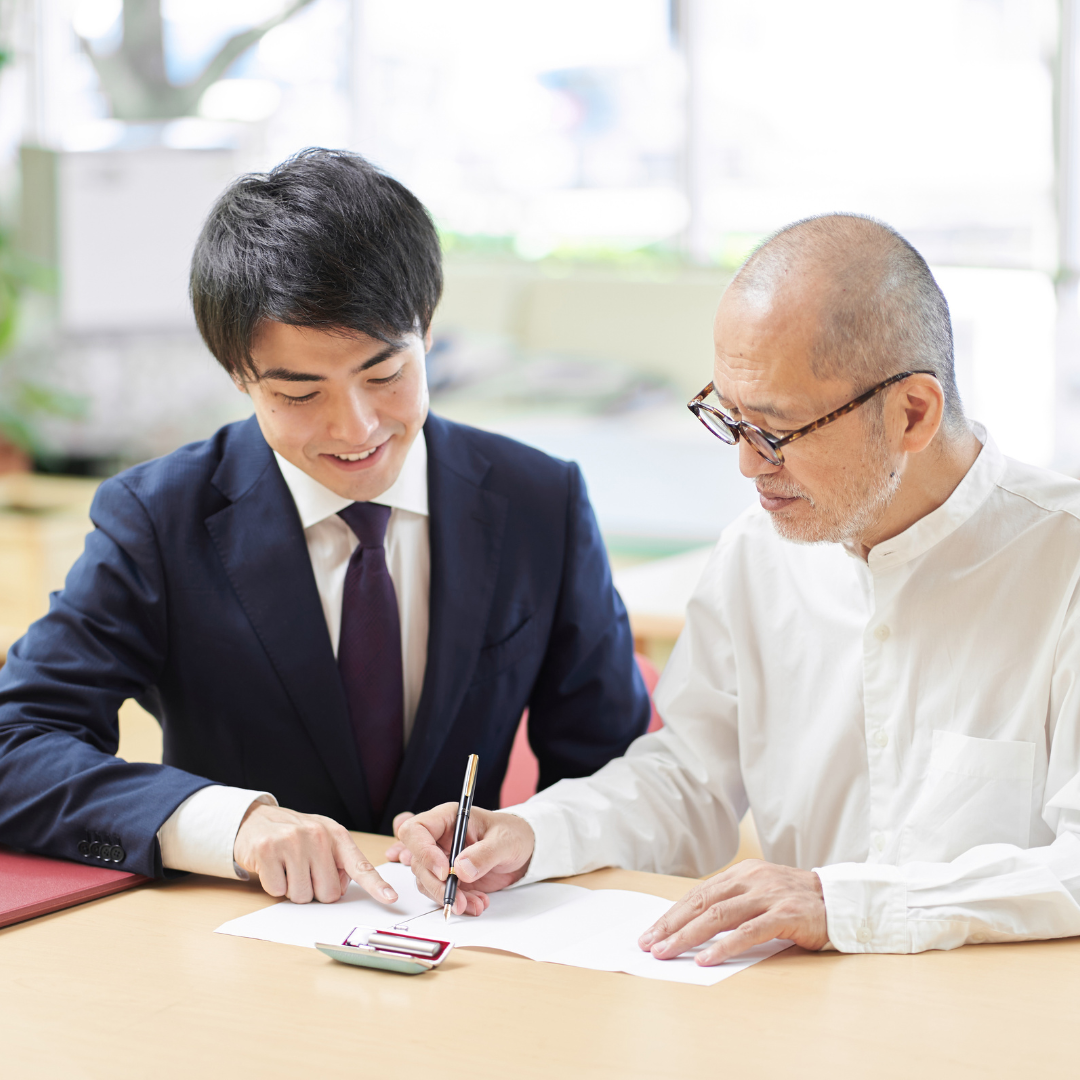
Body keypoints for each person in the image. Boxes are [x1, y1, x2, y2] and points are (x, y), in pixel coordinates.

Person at [393, 213, 1080, 959]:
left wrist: (842, 902)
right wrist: (535, 832)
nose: (748, 466)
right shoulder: (758, 553)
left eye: (776, 431)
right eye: (730, 418)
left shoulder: (1062, 564)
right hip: (806, 1012)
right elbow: (690, 781)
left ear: (912, 413)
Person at [0, 149, 649, 906]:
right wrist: (232, 824)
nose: (357, 427)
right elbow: (15, 744)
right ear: (239, 376)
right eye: (301, 393)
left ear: (428, 330)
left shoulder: (541, 501)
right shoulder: (159, 518)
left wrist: (530, 836)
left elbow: (619, 776)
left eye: (384, 375)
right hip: (229, 949)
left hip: (471, 939)